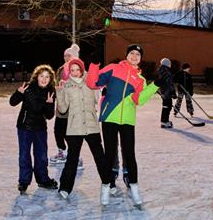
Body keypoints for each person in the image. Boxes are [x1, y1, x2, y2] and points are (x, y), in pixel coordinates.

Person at [86, 44, 162, 206]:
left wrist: (155, 85)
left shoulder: (140, 79)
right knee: (109, 155)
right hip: (110, 117)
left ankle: (134, 189)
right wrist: (94, 65)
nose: (134, 56)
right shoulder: (113, 68)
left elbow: (139, 100)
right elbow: (93, 83)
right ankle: (105, 188)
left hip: (128, 120)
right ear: (126, 55)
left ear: (141, 58)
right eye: (132, 53)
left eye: (138, 54)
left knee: (130, 155)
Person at [55, 58, 108, 199]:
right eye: (72, 70)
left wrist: (100, 87)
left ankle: (109, 183)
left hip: (91, 126)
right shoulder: (66, 86)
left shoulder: (90, 83)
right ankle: (65, 188)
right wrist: (59, 93)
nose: (75, 73)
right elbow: (62, 108)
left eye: (77, 69)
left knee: (99, 157)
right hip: (74, 127)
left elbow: (99, 100)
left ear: (82, 69)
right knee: (72, 159)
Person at [9, 64, 58, 194]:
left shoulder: (51, 92)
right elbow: (12, 102)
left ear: (50, 79)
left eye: (47, 77)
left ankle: (43, 179)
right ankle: (24, 181)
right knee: (24, 155)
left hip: (40, 128)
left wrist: (49, 104)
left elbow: (49, 116)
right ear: (36, 77)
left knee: (41, 156)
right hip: (25, 127)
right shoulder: (28, 87)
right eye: (42, 76)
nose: (44, 79)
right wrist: (18, 93)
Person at [50, 43, 80, 165]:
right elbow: (57, 86)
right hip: (61, 107)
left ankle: (75, 157)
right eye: (65, 56)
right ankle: (61, 152)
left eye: (69, 55)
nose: (66, 58)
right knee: (58, 131)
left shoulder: (78, 70)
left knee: (70, 133)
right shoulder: (61, 69)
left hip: (73, 108)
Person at [158, 58, 176, 128]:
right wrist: (173, 92)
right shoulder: (167, 72)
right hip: (167, 92)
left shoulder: (161, 71)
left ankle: (164, 121)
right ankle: (165, 121)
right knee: (168, 107)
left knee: (165, 106)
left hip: (163, 92)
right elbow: (169, 83)